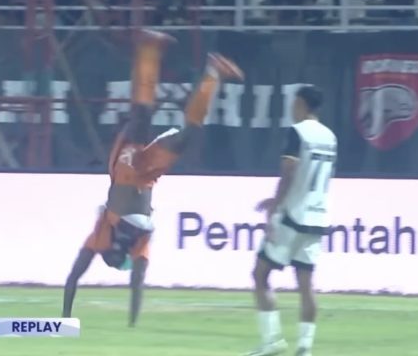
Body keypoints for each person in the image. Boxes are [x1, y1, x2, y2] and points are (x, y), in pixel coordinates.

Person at [61, 30, 243, 327]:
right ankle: (211, 72)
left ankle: (149, 50)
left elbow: (77, 277)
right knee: (181, 133)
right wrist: (130, 324)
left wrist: (64, 318)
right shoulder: (130, 243)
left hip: (126, 172)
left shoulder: (102, 238)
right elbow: (130, 281)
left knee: (143, 117)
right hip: (146, 174)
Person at [245, 85, 338, 356]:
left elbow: (289, 172)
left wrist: (274, 206)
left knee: (260, 274)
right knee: (306, 284)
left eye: (294, 103)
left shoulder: (297, 132)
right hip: (318, 217)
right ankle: (305, 348)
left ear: (301, 104)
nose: (291, 108)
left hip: (293, 215)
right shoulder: (330, 137)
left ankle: (271, 341)